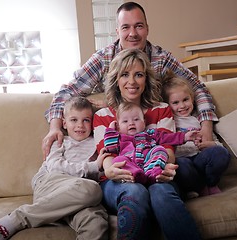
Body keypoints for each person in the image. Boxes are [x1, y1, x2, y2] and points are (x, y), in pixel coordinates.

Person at [42, 1, 218, 161]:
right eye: (126, 27)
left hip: (158, 138)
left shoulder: (161, 58)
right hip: (121, 144)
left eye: (139, 26)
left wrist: (207, 130)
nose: (133, 33)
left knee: (208, 159)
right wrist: (55, 127)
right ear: (117, 31)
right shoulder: (104, 59)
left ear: (147, 29)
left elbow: (198, 89)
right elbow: (67, 92)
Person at [93, 48, 202, 240]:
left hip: (156, 170)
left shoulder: (162, 110)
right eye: (125, 75)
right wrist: (110, 170)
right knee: (134, 192)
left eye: (139, 75)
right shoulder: (103, 116)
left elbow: (168, 149)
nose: (132, 81)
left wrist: (165, 168)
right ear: (116, 80)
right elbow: (107, 152)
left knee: (161, 192)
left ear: (147, 79)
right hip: (115, 180)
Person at [0, 97, 109, 240]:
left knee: (96, 223)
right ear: (64, 123)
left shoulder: (97, 142)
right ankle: (19, 218)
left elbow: (102, 170)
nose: (80, 125)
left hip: (78, 197)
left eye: (86, 120)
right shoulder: (59, 140)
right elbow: (55, 167)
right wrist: (93, 166)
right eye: (74, 120)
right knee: (92, 189)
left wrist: (100, 167)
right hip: (51, 184)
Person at [161, 72, 230, 197]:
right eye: (175, 103)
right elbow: (168, 147)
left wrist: (210, 144)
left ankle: (211, 183)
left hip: (200, 160)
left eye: (185, 100)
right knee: (181, 166)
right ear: (168, 104)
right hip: (184, 162)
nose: (182, 106)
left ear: (192, 98)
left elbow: (218, 144)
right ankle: (199, 188)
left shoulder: (198, 119)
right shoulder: (170, 121)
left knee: (222, 153)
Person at [104, 101, 199, 185]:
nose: (131, 123)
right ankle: (136, 174)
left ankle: (154, 171)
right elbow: (110, 147)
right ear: (119, 126)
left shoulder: (150, 134)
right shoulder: (119, 138)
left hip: (148, 160)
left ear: (144, 122)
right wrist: (110, 130)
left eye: (136, 119)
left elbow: (167, 138)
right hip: (131, 162)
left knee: (160, 149)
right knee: (118, 160)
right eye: (125, 121)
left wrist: (185, 137)